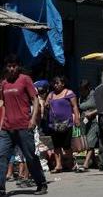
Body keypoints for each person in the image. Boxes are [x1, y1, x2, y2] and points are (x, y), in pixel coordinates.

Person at [0, 55, 48, 195]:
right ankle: (1, 189)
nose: (12, 68)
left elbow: (35, 99)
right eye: (9, 66)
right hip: (7, 128)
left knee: (30, 157)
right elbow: (2, 103)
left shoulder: (25, 79)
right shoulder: (3, 83)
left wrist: (33, 120)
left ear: (18, 66)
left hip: (24, 126)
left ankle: (41, 184)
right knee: (1, 156)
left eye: (14, 66)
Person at [46, 76, 80, 173]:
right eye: (54, 83)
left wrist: (77, 118)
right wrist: (46, 105)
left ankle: (71, 163)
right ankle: (58, 165)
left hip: (67, 123)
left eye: (57, 83)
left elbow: (75, 106)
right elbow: (46, 104)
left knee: (66, 145)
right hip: (54, 124)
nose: (55, 85)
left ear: (63, 83)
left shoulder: (69, 93)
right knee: (56, 146)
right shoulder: (51, 94)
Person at [78, 80, 98, 172]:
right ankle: (94, 161)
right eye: (80, 90)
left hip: (94, 121)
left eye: (83, 90)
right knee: (86, 141)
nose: (81, 92)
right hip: (84, 121)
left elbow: (101, 107)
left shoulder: (95, 95)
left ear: (88, 89)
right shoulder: (81, 97)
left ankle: (86, 163)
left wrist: (91, 113)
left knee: (91, 141)